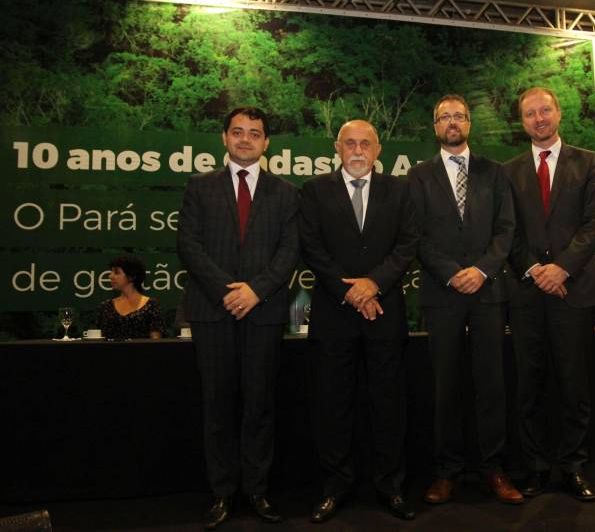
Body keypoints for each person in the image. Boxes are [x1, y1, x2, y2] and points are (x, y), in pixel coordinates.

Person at [177, 106, 299, 529]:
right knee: (218, 407)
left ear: (267, 143)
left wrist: (256, 291)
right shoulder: (199, 187)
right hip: (213, 312)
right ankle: (223, 494)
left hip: (263, 313)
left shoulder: (285, 193)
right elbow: (189, 246)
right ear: (224, 138)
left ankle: (257, 491)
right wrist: (228, 291)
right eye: (237, 132)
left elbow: (288, 252)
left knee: (260, 407)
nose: (245, 139)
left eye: (255, 133)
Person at [299, 119, 419, 523]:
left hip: (384, 312)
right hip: (335, 313)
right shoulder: (315, 191)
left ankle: (391, 486)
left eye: (365, 143)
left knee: (388, 404)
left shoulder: (400, 191)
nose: (357, 150)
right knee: (333, 405)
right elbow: (311, 247)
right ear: (336, 147)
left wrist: (373, 284)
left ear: (378, 149)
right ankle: (335, 487)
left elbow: (407, 245)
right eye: (349, 143)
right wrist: (349, 290)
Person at [408, 95, 520, 505]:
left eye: (458, 116)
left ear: (469, 123)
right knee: (445, 386)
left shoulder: (495, 172)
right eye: (444, 117)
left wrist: (482, 270)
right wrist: (452, 273)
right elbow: (416, 235)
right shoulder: (418, 176)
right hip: (442, 294)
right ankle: (447, 471)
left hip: (488, 292)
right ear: (435, 127)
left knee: (491, 384)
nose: (452, 123)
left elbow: (506, 229)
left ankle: (493, 469)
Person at [504, 87, 595, 502]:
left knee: (573, 384)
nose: (539, 118)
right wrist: (535, 270)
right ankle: (536, 467)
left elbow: (593, 224)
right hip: (527, 294)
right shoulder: (507, 172)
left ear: (558, 113)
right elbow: (506, 231)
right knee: (529, 385)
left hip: (573, 290)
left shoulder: (589, 162)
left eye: (545, 110)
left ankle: (573, 466)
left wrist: (561, 268)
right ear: (522, 121)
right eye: (530, 113)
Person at [95, 254, 164, 340]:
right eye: (111, 272)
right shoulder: (105, 307)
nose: (110, 276)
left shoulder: (151, 306)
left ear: (132, 276)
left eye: (116, 272)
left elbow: (156, 341)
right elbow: (98, 340)